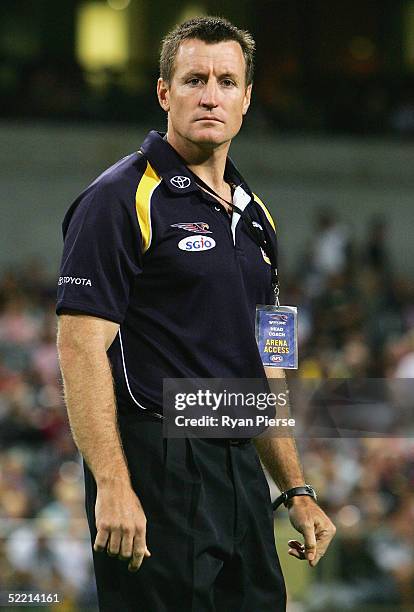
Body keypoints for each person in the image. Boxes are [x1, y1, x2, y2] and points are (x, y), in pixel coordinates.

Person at [56, 16, 336, 611]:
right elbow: (79, 347)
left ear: (247, 98)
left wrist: (296, 488)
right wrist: (112, 483)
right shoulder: (119, 197)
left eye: (227, 81)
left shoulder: (259, 219)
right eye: (194, 79)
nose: (211, 95)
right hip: (156, 463)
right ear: (164, 92)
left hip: (239, 469)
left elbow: (272, 363)